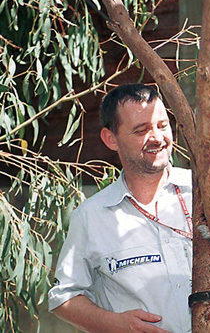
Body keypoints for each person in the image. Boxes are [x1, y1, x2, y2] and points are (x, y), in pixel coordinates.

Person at [49, 84, 193, 332]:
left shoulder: (202, 192)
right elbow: (64, 298)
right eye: (141, 130)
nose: (157, 138)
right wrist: (114, 324)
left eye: (162, 125)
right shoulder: (91, 216)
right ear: (111, 139)